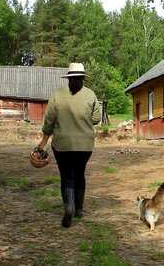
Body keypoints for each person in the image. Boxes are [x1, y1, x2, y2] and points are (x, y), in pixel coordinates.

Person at [38, 63, 100, 228]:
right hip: (85, 144)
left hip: (62, 144)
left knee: (67, 175)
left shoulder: (57, 94)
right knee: (80, 174)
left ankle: (69, 207)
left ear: (69, 78)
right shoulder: (91, 94)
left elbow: (49, 120)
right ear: (83, 78)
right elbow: (96, 119)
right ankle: (79, 210)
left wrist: (44, 141)